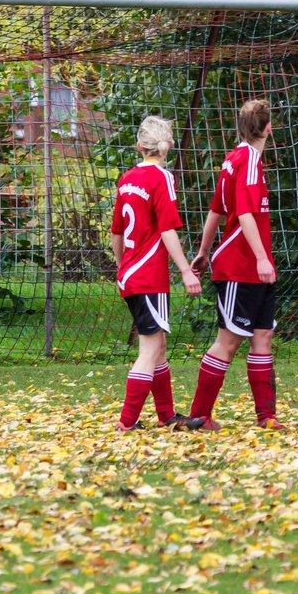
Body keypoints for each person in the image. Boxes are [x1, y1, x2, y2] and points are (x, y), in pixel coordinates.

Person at [188, 98, 286, 430]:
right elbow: (241, 212)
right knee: (227, 342)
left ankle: (266, 417)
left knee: (262, 338)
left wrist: (203, 250)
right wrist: (260, 258)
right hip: (240, 267)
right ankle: (199, 416)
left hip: (257, 267)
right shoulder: (246, 161)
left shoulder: (234, 158)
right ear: (268, 128)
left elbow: (216, 210)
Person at [110, 116, 206, 431]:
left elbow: (117, 232)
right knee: (149, 350)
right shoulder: (162, 178)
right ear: (167, 147)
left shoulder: (126, 179)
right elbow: (167, 229)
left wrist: (121, 264)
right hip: (148, 275)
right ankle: (126, 422)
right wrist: (185, 271)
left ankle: (167, 415)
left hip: (131, 272)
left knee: (158, 346)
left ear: (140, 146)